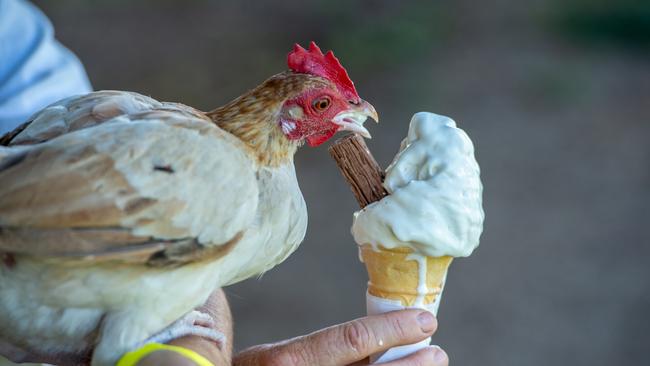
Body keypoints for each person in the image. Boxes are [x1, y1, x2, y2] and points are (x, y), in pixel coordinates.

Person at [0, 1, 449, 365]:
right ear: (286, 119)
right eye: (322, 105)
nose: (356, 110)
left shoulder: (23, 49)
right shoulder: (225, 176)